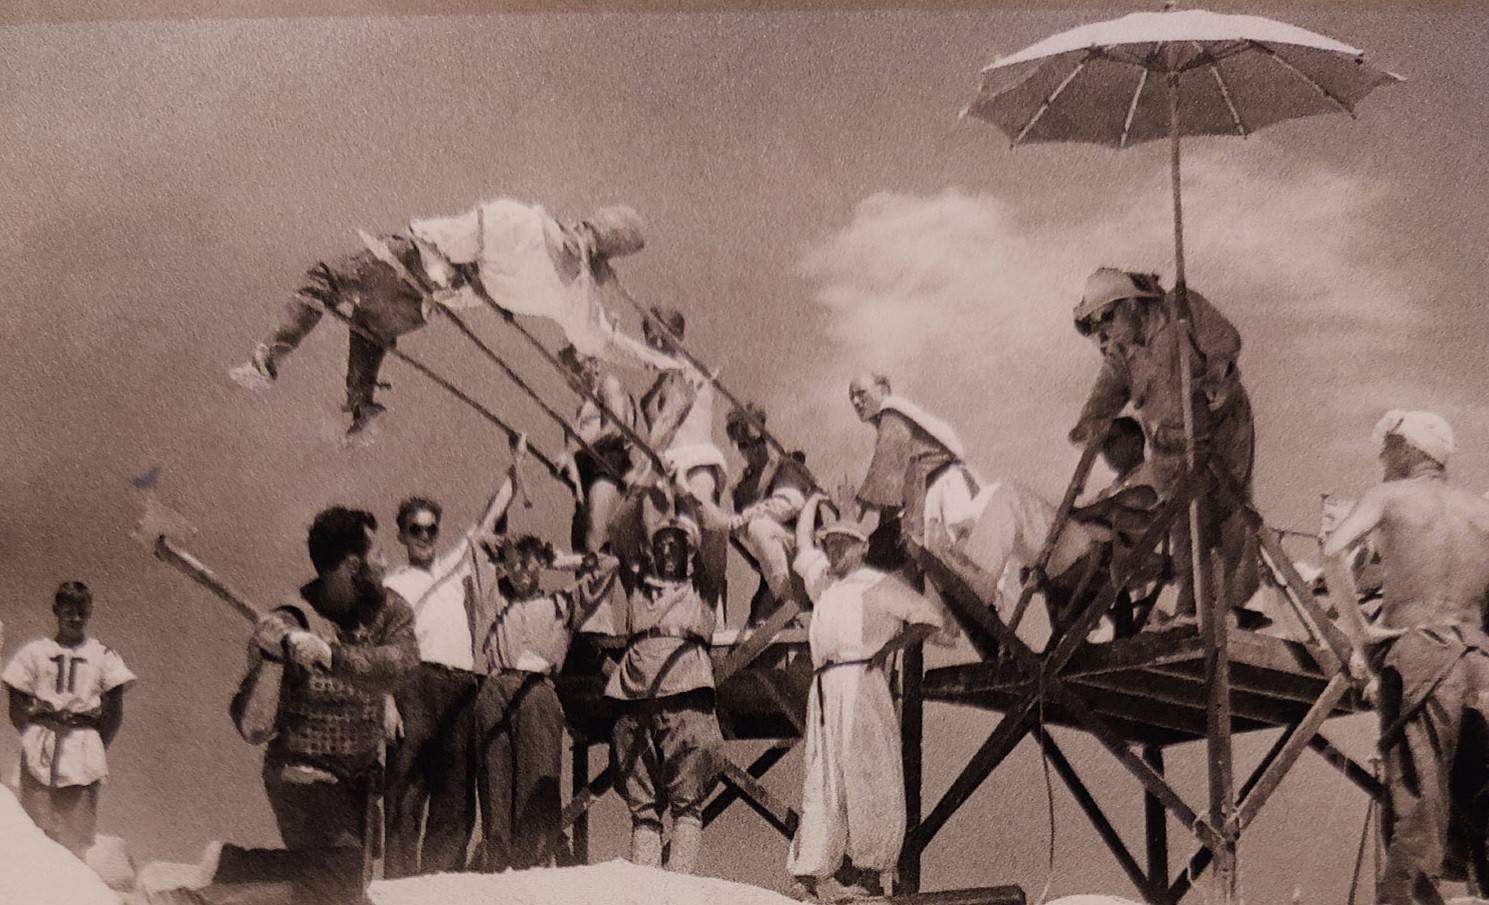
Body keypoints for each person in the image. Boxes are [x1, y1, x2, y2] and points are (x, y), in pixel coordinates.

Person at [228, 204, 649, 438]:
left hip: (411, 262)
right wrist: (657, 360)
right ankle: (361, 400)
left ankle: (267, 359)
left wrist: (435, 259)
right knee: (371, 327)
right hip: (427, 304)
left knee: (324, 280)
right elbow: (598, 341)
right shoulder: (573, 291)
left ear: (584, 221)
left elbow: (458, 236)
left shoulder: (524, 221)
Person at [176, 506, 419, 905]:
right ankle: (193, 899)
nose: (385, 561)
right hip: (303, 775)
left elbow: (403, 664)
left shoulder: (390, 609)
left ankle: (232, 865)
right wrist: (272, 660)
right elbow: (253, 728)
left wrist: (330, 654)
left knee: (344, 886)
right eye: (377, 554)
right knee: (336, 884)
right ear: (353, 566)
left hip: (357, 781)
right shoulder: (292, 617)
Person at [1322, 410, 1489, 905]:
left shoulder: (1389, 496)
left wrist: (1360, 632)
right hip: (1479, 657)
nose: (1382, 454)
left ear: (1412, 450)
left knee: (1417, 797)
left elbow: (1332, 552)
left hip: (1423, 653)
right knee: (1479, 794)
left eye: (1389, 444)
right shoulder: (1481, 512)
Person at [1067, 267, 1259, 625]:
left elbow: (1225, 344)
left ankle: (1225, 607)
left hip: (1220, 430)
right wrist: (1088, 426)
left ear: (1130, 304)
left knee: (1226, 513)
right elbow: (1102, 399)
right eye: (1094, 326)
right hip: (1171, 448)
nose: (1103, 331)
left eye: (1106, 317)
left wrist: (1216, 377)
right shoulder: (1120, 355)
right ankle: (1191, 611)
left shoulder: (1180, 308)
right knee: (1183, 525)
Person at [786, 495, 953, 900]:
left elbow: (929, 618)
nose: (835, 550)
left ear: (861, 548)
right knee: (821, 776)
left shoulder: (879, 585)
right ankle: (809, 872)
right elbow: (803, 548)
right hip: (824, 687)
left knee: (868, 772)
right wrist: (813, 502)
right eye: (831, 544)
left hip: (862, 682)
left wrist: (889, 648)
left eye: (843, 543)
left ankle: (869, 872)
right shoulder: (824, 584)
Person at [379, 437, 526, 877]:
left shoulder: (456, 565)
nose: (424, 536)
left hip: (461, 684)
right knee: (406, 790)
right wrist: (386, 703)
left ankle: (441, 885)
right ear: (402, 534)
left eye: (431, 529)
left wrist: (515, 465)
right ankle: (399, 886)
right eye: (416, 529)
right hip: (413, 684)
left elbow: (489, 516)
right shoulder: (391, 585)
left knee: (456, 793)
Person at [469, 534, 612, 872]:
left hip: (538, 690)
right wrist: (503, 549)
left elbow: (608, 567)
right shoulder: (493, 601)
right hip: (496, 686)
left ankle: (533, 866)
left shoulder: (561, 603)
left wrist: (558, 561)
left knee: (538, 780)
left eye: (528, 563)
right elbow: (476, 545)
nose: (520, 571)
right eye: (513, 564)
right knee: (494, 780)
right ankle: (496, 865)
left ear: (540, 565)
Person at [604, 502, 723, 875]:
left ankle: (678, 888)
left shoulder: (702, 587)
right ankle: (646, 890)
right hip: (634, 693)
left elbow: (717, 532)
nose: (669, 550)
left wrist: (689, 495)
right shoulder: (638, 587)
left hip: (686, 688)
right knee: (642, 803)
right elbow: (618, 527)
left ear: (690, 552)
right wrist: (643, 488)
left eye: (677, 544)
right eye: (661, 544)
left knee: (687, 799)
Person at [3, 581, 136, 856]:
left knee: (75, 835)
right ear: (56, 611)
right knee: (35, 831)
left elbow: (114, 711)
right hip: (40, 746)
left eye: (82, 612)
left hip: (83, 748)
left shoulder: (103, 655)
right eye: (68, 612)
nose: (75, 619)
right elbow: (16, 704)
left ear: (90, 613)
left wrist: (93, 741)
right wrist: (35, 734)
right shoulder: (34, 652)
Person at [639, 306, 729, 605]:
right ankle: (665, 604)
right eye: (650, 337)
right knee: (656, 539)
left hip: (696, 458)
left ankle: (712, 604)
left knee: (707, 525)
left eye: (662, 335)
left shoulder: (692, 370)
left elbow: (676, 410)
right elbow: (655, 434)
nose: (656, 343)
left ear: (678, 337)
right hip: (664, 466)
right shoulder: (652, 392)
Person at [851, 372, 982, 564]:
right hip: (934, 491)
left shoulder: (892, 414)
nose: (856, 401)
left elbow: (885, 475)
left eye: (861, 393)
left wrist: (853, 518)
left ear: (883, 391)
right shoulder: (890, 419)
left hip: (943, 490)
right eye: (852, 398)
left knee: (957, 562)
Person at [726, 404, 812, 626]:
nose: (752, 450)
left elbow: (791, 503)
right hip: (775, 569)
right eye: (744, 445)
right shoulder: (741, 488)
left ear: (764, 436)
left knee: (759, 526)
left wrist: (748, 516)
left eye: (757, 441)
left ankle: (787, 606)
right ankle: (784, 604)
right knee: (758, 624)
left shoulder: (784, 464)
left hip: (806, 555)